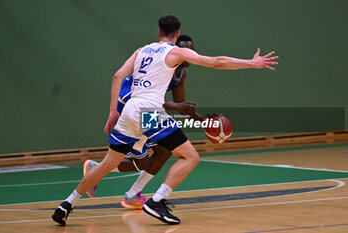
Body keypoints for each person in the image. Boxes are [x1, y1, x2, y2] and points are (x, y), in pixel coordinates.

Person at [52, 14, 278, 226]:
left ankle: (67, 203)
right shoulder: (176, 53)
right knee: (190, 156)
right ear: (177, 35)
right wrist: (252, 62)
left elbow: (118, 75)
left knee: (108, 164)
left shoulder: (142, 50)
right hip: (149, 111)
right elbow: (217, 61)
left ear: (158, 31)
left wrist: (113, 111)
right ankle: (157, 201)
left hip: (129, 109)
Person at [83, 35, 205, 210]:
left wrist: (203, 121)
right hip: (130, 105)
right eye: (186, 49)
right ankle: (102, 173)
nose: (189, 53)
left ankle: (131, 194)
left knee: (163, 152)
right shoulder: (164, 64)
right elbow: (156, 101)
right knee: (145, 161)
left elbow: (180, 106)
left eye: (191, 50)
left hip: (149, 109)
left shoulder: (181, 75)